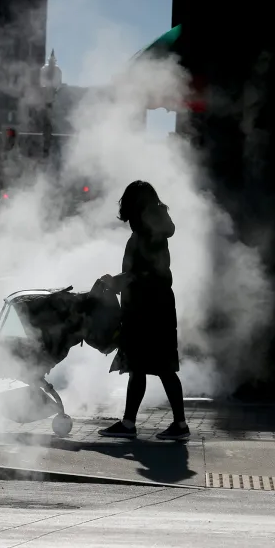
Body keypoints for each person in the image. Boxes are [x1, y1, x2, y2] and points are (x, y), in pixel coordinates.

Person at [98, 181, 189, 441]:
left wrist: (118, 281)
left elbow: (145, 272)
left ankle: (179, 425)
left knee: (159, 366)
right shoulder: (152, 227)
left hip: (148, 307)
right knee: (144, 365)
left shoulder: (147, 230)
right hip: (154, 305)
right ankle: (131, 423)